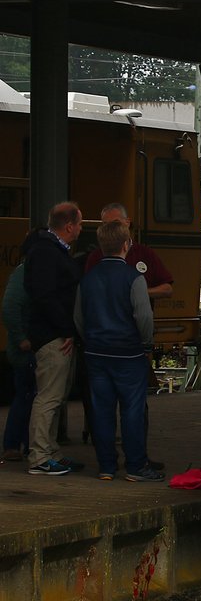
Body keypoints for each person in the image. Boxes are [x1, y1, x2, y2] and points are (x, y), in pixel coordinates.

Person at [84, 202, 171, 470]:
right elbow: (144, 317)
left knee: (102, 409)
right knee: (133, 408)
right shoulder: (134, 277)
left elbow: (80, 313)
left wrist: (90, 337)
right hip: (129, 350)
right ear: (124, 244)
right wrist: (145, 343)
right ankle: (136, 465)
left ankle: (107, 466)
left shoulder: (90, 274)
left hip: (97, 350)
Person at [24, 202, 85, 476]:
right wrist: (66, 329)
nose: (82, 229)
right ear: (69, 226)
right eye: (80, 224)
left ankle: (49, 451)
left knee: (55, 396)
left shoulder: (47, 250)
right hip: (52, 337)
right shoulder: (47, 253)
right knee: (48, 397)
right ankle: (39, 455)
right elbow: (45, 295)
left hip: (54, 333)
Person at [2, 237, 35, 462]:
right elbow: (10, 305)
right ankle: (13, 444)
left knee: (27, 395)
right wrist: (21, 338)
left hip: (26, 345)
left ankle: (21, 443)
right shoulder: (24, 273)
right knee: (25, 395)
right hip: (25, 348)